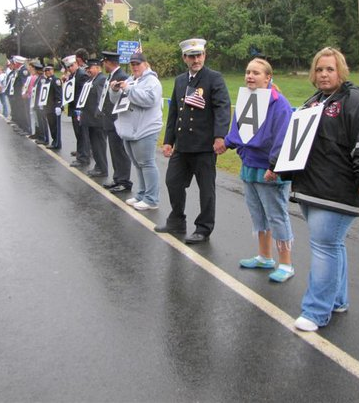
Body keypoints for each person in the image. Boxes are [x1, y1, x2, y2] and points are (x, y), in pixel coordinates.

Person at [280, 47, 359, 331]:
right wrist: (278, 166)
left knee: (324, 247)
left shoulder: (355, 100)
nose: (324, 74)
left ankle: (315, 311)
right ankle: (337, 300)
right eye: (320, 69)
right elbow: (295, 142)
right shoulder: (313, 101)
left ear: (341, 71)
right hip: (311, 187)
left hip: (337, 190)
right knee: (332, 246)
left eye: (330, 69)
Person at [224, 58, 295, 282]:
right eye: (247, 72)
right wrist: (225, 143)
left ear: (268, 77)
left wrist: (275, 166)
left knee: (276, 214)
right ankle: (265, 256)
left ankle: (286, 263)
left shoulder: (279, 104)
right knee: (258, 214)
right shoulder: (247, 99)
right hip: (250, 165)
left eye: (255, 73)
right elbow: (239, 128)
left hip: (270, 167)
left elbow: (283, 136)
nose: (250, 76)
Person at [160, 38, 231, 244]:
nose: (196, 59)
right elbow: (174, 112)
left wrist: (220, 136)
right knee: (172, 181)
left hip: (204, 145)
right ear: (184, 58)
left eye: (199, 55)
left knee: (206, 189)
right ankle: (177, 220)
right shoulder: (180, 80)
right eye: (191, 56)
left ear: (204, 56)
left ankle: (203, 228)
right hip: (182, 145)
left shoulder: (213, 78)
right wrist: (168, 140)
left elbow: (222, 108)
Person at [108, 51, 163, 210]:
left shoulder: (152, 81)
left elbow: (149, 100)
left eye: (137, 64)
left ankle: (152, 199)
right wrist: (115, 90)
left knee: (147, 163)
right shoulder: (131, 80)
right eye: (132, 64)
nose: (135, 67)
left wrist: (128, 90)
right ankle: (141, 194)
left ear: (145, 64)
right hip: (129, 130)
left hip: (145, 129)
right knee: (137, 164)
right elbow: (115, 101)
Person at [100, 51, 132, 193]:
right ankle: (117, 177)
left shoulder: (122, 77)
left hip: (117, 121)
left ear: (108, 62)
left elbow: (122, 102)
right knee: (114, 151)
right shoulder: (112, 76)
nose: (103, 65)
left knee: (120, 152)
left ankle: (124, 181)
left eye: (104, 62)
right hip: (110, 120)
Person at [76, 56, 108, 177]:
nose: (88, 70)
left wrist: (98, 114)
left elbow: (101, 99)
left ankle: (102, 168)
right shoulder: (92, 80)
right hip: (90, 119)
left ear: (97, 67)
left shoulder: (101, 80)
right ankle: (98, 166)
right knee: (94, 145)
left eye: (90, 68)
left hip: (97, 120)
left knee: (99, 145)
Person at [67, 49, 92, 168]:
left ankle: (83, 157)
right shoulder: (73, 75)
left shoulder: (82, 75)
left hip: (79, 108)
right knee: (78, 133)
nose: (70, 68)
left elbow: (83, 93)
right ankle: (80, 154)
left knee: (82, 133)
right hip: (74, 108)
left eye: (72, 65)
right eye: (68, 66)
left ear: (77, 63)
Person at [43, 64, 63, 150]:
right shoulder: (46, 81)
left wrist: (58, 105)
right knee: (51, 126)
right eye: (46, 71)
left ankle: (57, 143)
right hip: (48, 107)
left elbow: (58, 94)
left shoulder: (56, 80)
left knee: (56, 126)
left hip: (54, 106)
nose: (48, 72)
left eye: (49, 70)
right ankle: (54, 141)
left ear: (53, 70)